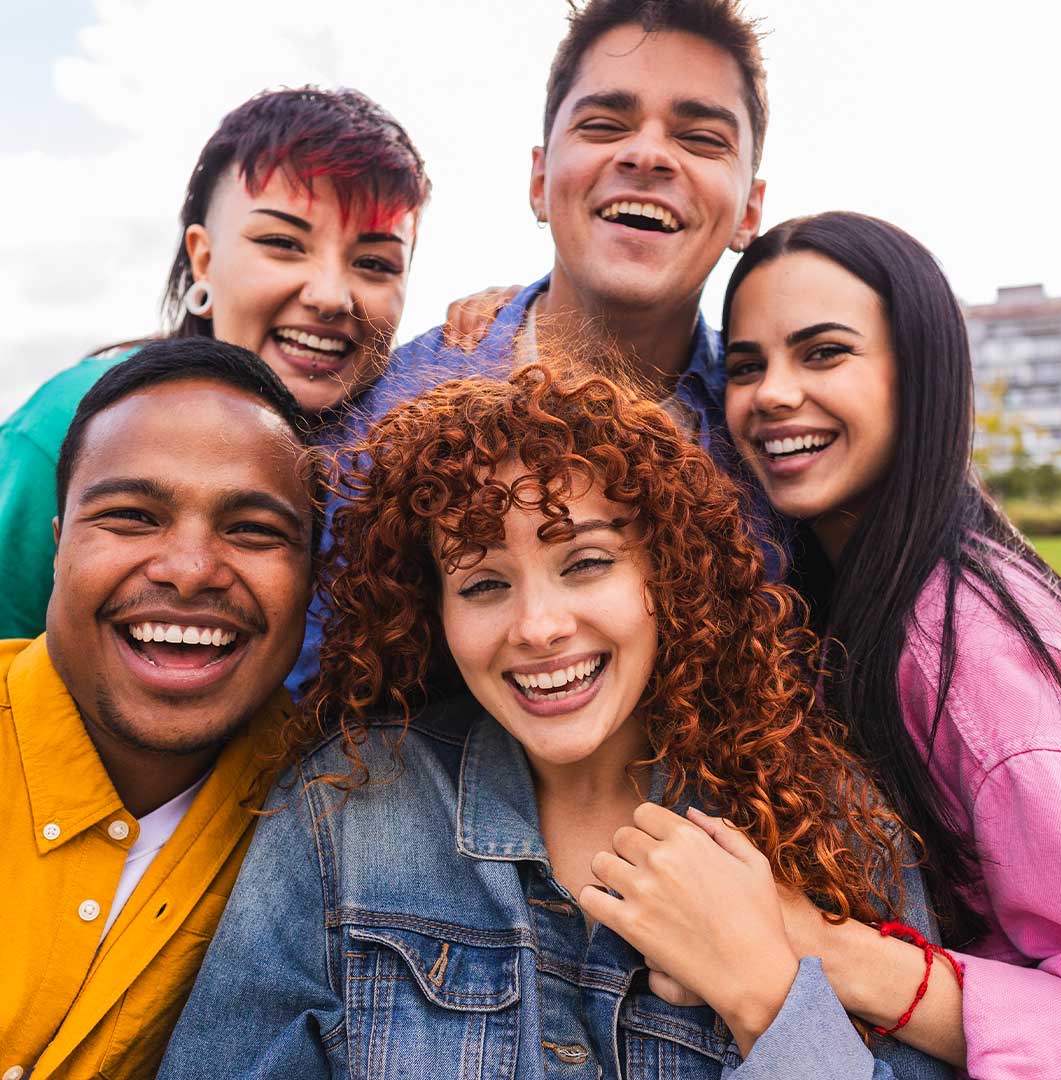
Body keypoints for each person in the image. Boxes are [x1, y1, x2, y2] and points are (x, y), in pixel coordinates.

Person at [160, 362, 950, 1078]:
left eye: (586, 564)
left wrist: (762, 999)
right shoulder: (343, 813)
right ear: (430, 613)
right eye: (482, 585)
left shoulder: (823, 817)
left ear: (666, 576)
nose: (538, 626)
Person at [287, 0, 770, 694]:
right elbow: (324, 689)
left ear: (749, 210)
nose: (647, 154)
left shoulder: (772, 429)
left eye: (700, 138)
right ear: (540, 181)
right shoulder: (396, 411)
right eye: (605, 125)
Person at [721, 211, 1061, 1077]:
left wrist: (826, 951)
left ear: (917, 376)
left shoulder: (965, 649)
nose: (772, 392)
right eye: (745, 365)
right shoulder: (838, 590)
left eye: (823, 353)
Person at [0, 85, 429, 640]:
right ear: (204, 257)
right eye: (283, 243)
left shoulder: (409, 455)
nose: (330, 296)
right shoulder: (72, 421)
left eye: (374, 262)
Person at [0, 339, 318, 1079]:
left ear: (312, 579)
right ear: (56, 546)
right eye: (131, 516)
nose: (189, 570)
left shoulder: (341, 817)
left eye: (253, 530)